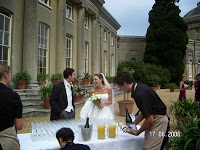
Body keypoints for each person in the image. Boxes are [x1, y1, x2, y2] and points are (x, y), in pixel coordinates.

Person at [113, 72, 169, 150]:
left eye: (120, 87)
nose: (120, 89)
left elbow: (150, 119)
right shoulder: (138, 88)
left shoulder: (140, 93)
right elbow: (144, 111)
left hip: (158, 120)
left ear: (125, 83)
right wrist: (133, 124)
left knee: (149, 148)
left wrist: (137, 132)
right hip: (155, 119)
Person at [0, 63, 23, 150]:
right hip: (6, 139)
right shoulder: (13, 96)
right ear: (6, 74)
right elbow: (19, 125)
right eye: (10, 73)